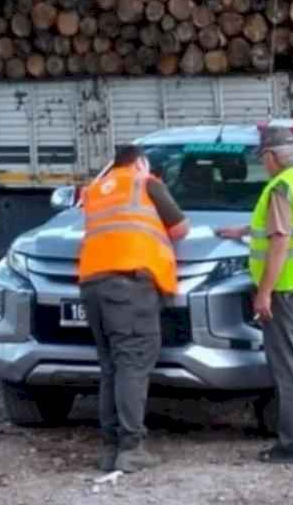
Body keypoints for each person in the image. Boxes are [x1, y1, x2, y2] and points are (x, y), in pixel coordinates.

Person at [218, 126, 293, 464]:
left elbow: (281, 239)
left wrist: (264, 292)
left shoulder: (281, 187)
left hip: (288, 292)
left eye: (263, 158)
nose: (263, 164)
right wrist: (244, 230)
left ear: (271, 156)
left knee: (290, 370)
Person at [78, 145, 190, 473]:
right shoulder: (146, 183)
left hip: (92, 284)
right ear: (141, 163)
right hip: (129, 286)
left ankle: (111, 447)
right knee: (132, 364)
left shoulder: (95, 189)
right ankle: (131, 447)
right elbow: (180, 229)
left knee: (111, 366)